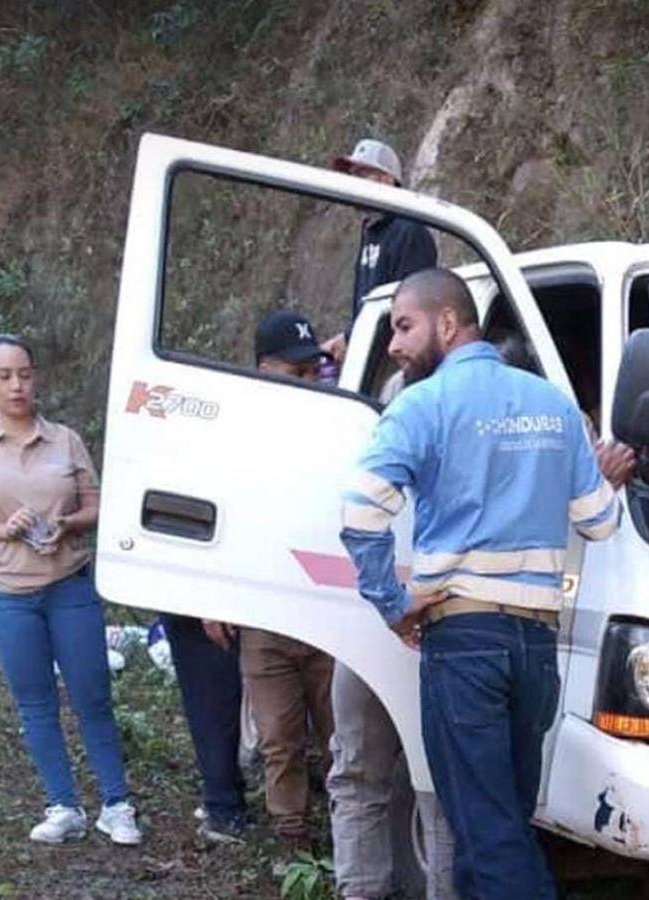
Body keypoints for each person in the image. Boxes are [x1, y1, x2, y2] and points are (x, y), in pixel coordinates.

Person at [340, 268, 622, 898]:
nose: (394, 344)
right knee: (495, 825)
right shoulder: (555, 406)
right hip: (535, 647)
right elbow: (600, 522)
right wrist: (597, 480)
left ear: (448, 322)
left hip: (464, 642)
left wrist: (392, 601)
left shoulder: (422, 405)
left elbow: (359, 513)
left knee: (489, 836)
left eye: (403, 326)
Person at [0, 334, 141, 845]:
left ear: (35, 375)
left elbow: (96, 504)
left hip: (69, 586)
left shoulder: (65, 439)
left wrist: (68, 523)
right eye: (3, 376)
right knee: (36, 703)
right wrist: (5, 530)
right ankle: (63, 805)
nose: (17, 385)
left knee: (93, 696)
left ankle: (117, 805)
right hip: (7, 593)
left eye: (24, 373)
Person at [239, 310, 337, 845]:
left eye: (310, 373)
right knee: (279, 735)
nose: (304, 383)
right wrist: (216, 599)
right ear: (261, 369)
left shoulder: (333, 421)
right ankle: (292, 839)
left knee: (339, 731)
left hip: (326, 606)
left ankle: (348, 834)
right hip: (264, 606)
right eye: (292, 373)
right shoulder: (237, 430)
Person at [322, 138, 438, 365]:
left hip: (395, 362)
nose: (354, 183)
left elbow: (409, 311)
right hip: (370, 357)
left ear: (387, 179)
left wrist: (352, 340)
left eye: (363, 175)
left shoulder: (409, 232)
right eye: (353, 176)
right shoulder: (372, 229)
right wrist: (347, 337)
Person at [159, 611, 248, 845]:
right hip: (200, 601)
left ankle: (224, 797)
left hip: (200, 598)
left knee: (211, 701)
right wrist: (210, 610)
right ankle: (223, 807)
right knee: (212, 703)